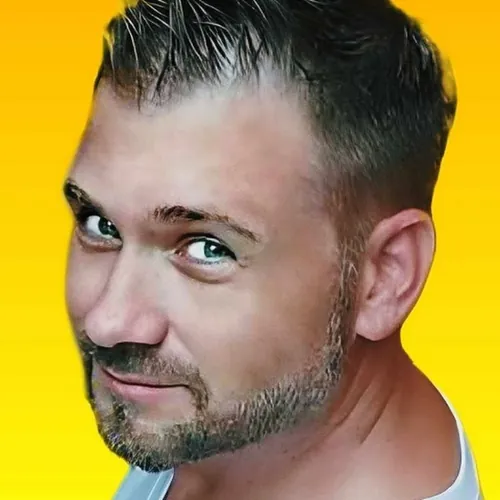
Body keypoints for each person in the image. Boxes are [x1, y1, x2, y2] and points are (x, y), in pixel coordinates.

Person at [63, 0, 482, 498]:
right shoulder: (232, 417)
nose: (107, 322)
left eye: (207, 249)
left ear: (385, 278)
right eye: (100, 224)